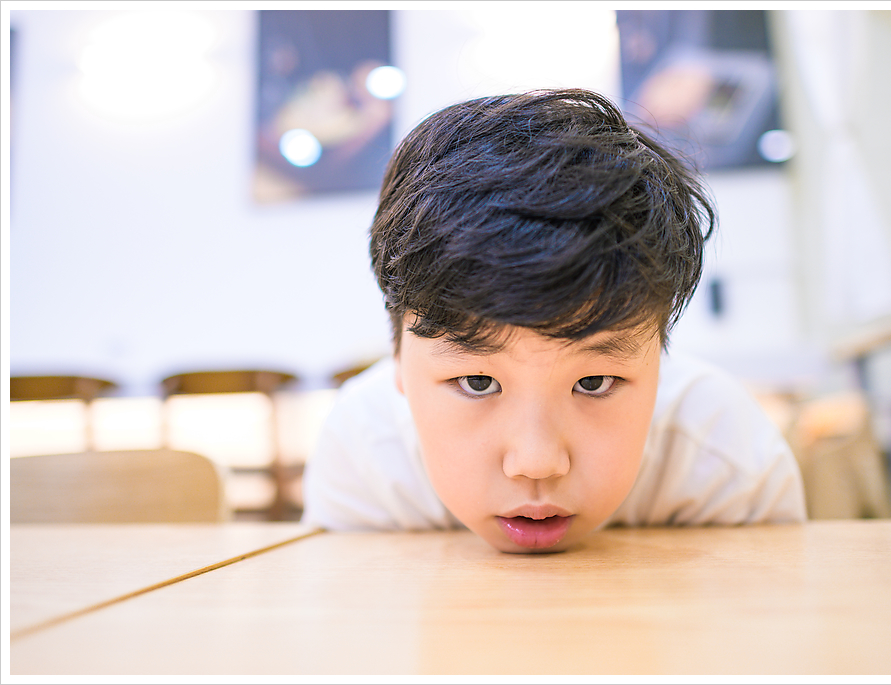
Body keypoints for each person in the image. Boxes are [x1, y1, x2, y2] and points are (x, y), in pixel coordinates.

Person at [302, 88, 806, 553]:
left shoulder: (723, 459)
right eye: (478, 382)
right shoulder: (366, 460)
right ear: (398, 359)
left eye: (593, 382)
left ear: (659, 357)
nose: (537, 463)